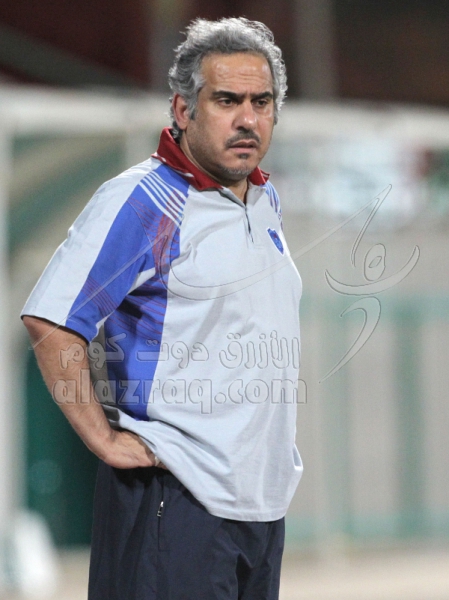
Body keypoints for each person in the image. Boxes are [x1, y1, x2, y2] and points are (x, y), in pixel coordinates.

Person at [22, 17, 303, 600]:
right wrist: (104, 440)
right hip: (173, 503)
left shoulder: (263, 199)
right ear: (183, 109)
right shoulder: (146, 200)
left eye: (261, 102)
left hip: (258, 508)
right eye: (226, 100)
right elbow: (52, 321)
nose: (247, 119)